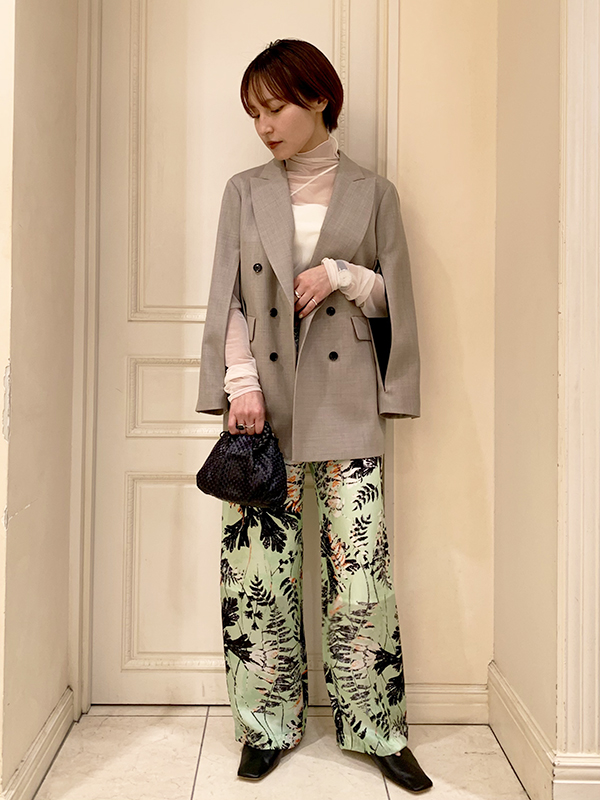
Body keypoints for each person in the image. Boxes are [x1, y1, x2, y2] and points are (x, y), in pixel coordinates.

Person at [196, 39, 432, 792]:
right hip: (262, 407)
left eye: (275, 108)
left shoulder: (375, 192)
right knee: (258, 576)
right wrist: (240, 384)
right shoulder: (244, 190)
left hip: (347, 401)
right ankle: (265, 727)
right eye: (254, 114)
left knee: (361, 578)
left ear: (320, 100)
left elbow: (395, 301)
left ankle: (377, 728)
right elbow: (229, 298)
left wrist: (343, 275)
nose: (264, 126)